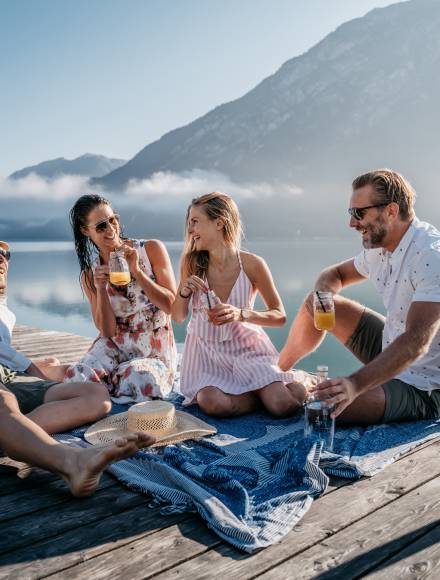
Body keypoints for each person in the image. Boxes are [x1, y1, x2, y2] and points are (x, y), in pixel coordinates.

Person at [279, 169, 440, 424]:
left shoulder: (430, 256)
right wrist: (324, 299)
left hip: (425, 385)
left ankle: (312, 387)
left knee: (323, 409)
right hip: (391, 346)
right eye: (351, 213)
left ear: (391, 211)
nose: (352, 223)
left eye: (359, 213)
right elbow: (335, 274)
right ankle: (278, 370)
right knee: (315, 302)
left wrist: (355, 384)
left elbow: (416, 342)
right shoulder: (380, 247)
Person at [172, 192, 313, 418]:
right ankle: (264, 392)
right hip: (206, 354)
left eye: (195, 222)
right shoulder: (191, 263)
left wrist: (239, 314)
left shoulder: (252, 264)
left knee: (283, 406)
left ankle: (290, 383)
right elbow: (178, 316)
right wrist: (183, 291)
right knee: (210, 402)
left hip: (247, 351)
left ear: (219, 223)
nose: (190, 230)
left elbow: (279, 316)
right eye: (189, 223)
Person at [62, 194, 177, 402]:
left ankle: (112, 385)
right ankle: (106, 389)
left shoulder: (150, 250)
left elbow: (171, 306)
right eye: (100, 226)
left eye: (112, 220)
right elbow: (107, 331)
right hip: (115, 345)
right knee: (77, 376)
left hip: (153, 347)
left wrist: (138, 273)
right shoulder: (90, 275)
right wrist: (100, 288)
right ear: (85, 231)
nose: (110, 229)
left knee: (139, 378)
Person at [0, 241, 111, 434]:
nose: (2, 258)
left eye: (4, 254)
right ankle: (13, 433)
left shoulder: (4, 309)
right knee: (97, 397)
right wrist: (35, 372)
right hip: (5, 375)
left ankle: (16, 427)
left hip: (8, 371)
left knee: (56, 364)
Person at [0, 385, 154, 497]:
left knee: (96, 395)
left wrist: (31, 367)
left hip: (8, 374)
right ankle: (72, 461)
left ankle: (13, 432)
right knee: (4, 399)